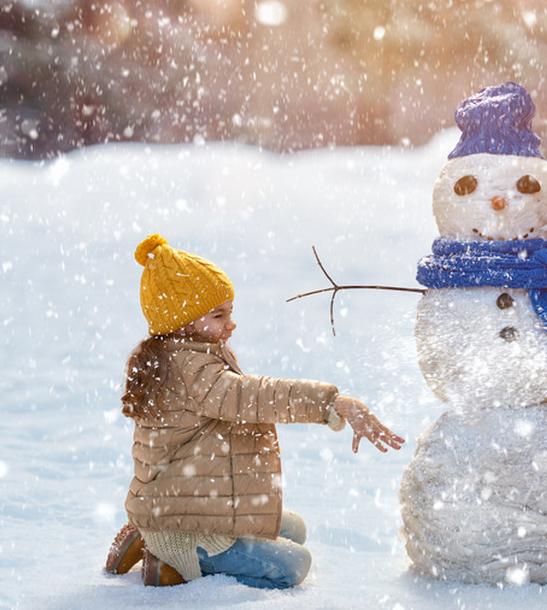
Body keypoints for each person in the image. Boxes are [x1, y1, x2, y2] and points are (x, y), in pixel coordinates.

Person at [103, 234, 404, 588]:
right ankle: (174, 560)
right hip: (188, 519)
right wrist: (331, 403)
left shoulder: (178, 355)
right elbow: (255, 396)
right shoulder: (191, 370)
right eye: (218, 315)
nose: (231, 324)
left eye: (230, 312)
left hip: (181, 501)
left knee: (294, 528)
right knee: (293, 567)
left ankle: (152, 531)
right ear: (181, 321)